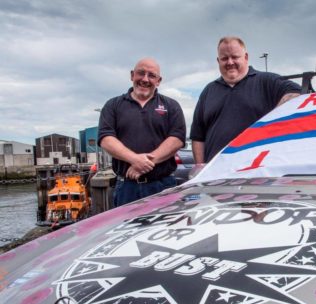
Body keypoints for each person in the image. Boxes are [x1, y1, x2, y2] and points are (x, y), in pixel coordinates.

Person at [190, 36, 301, 164]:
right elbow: (198, 137)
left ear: (246, 57)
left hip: (256, 172)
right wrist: (200, 167)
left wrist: (273, 118)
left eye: (235, 57)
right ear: (218, 61)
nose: (230, 62)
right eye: (224, 58)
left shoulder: (267, 82)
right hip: (215, 175)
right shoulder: (208, 91)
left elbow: (298, 92)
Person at [98, 57, 186, 207]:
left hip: (163, 186)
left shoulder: (171, 106)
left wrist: (145, 163)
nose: (145, 79)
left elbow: (177, 138)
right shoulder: (113, 106)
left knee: (164, 230)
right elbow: (106, 138)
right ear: (132, 75)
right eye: (141, 73)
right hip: (127, 189)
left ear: (158, 81)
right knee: (126, 230)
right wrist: (134, 159)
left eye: (151, 75)